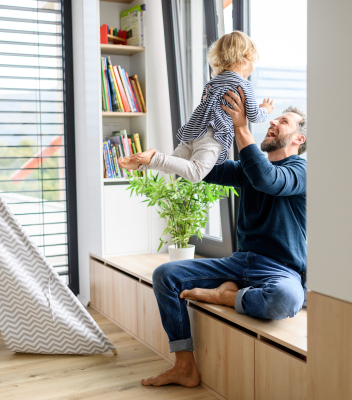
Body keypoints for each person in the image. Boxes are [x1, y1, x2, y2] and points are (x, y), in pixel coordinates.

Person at [141, 87, 307, 387]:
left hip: (279, 269)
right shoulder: (250, 169)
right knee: (165, 274)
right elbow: (204, 170)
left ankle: (227, 295)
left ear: (299, 139)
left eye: (282, 121)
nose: (272, 123)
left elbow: (268, 180)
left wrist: (242, 127)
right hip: (239, 262)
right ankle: (184, 365)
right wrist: (206, 119)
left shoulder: (301, 170)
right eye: (274, 119)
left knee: (287, 299)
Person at [119, 31, 275, 182]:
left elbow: (205, 106)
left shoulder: (212, 83)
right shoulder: (244, 85)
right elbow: (254, 116)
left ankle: (141, 163)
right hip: (214, 135)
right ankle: (153, 157)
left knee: (173, 164)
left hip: (194, 130)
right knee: (195, 173)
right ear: (246, 58)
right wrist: (265, 109)